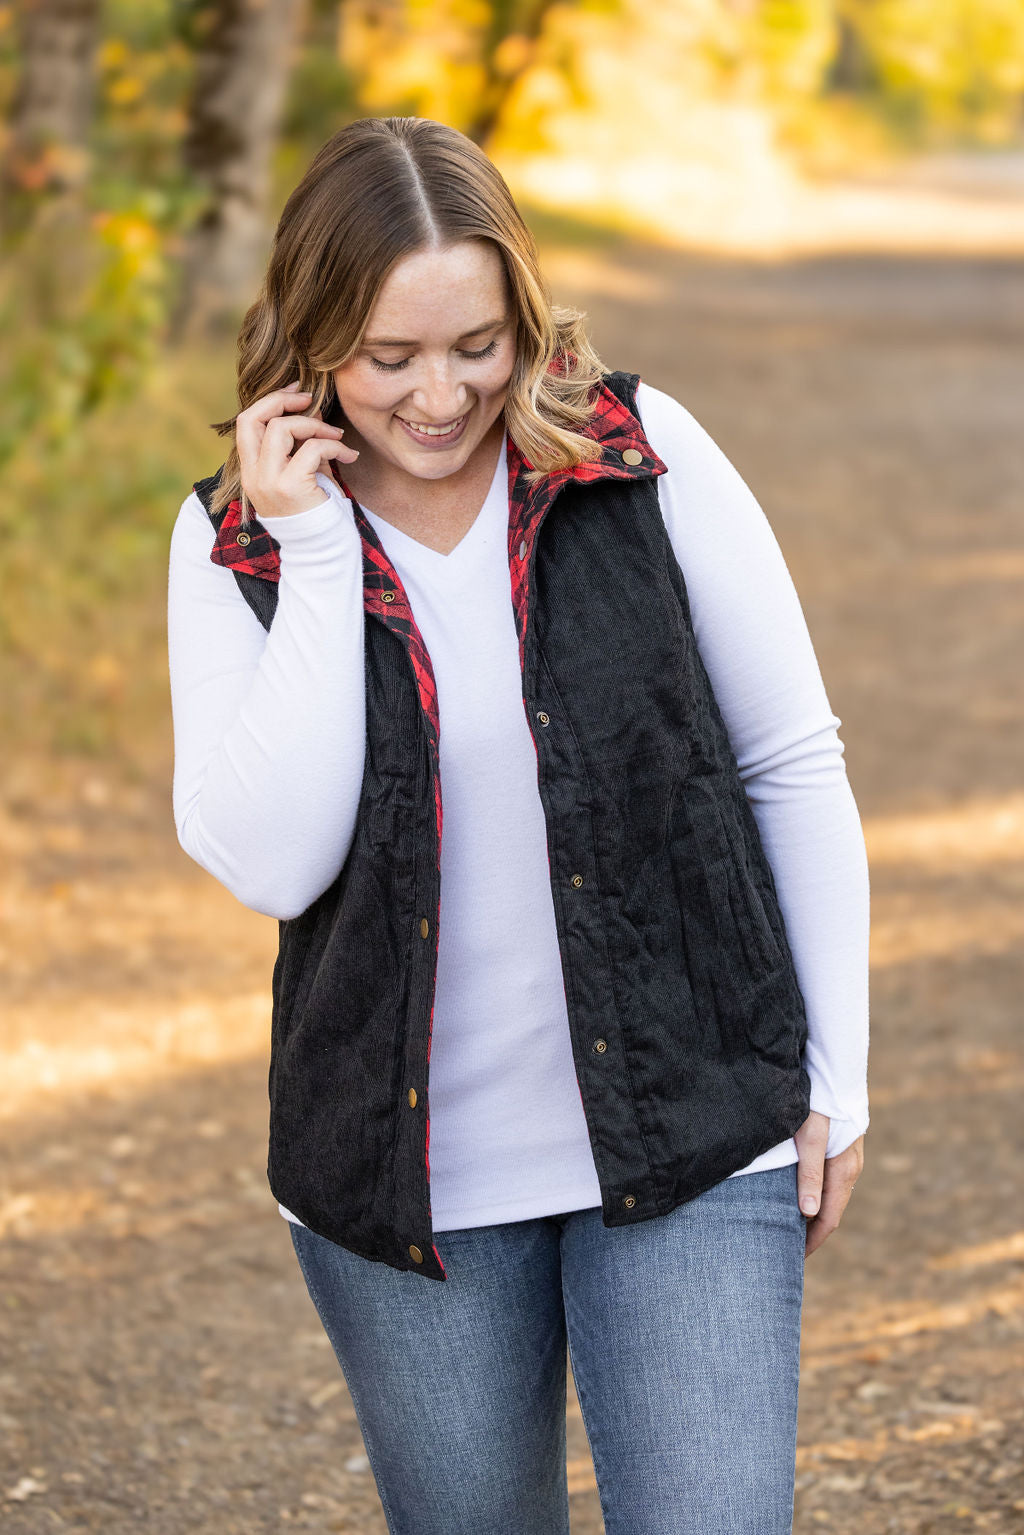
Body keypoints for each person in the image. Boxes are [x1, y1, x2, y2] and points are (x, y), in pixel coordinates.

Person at [167, 116, 869, 1535]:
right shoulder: (233, 540)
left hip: (692, 1128)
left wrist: (836, 1073)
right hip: (405, 1184)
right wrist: (314, 551)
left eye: (478, 344)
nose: (442, 395)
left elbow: (792, 760)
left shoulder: (640, 455)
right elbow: (276, 858)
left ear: (524, 315)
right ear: (313, 343)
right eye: (390, 359)